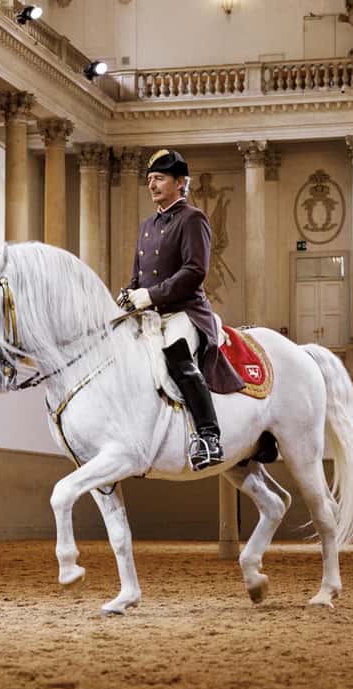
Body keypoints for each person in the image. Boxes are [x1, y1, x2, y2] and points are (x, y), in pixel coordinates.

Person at [123, 149, 244, 470]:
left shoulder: (193, 219)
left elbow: (194, 271)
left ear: (180, 182)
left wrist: (150, 295)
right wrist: (130, 293)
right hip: (151, 314)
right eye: (149, 179)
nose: (152, 185)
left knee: (177, 355)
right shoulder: (147, 224)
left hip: (185, 312)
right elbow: (138, 274)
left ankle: (208, 436)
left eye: (159, 178)